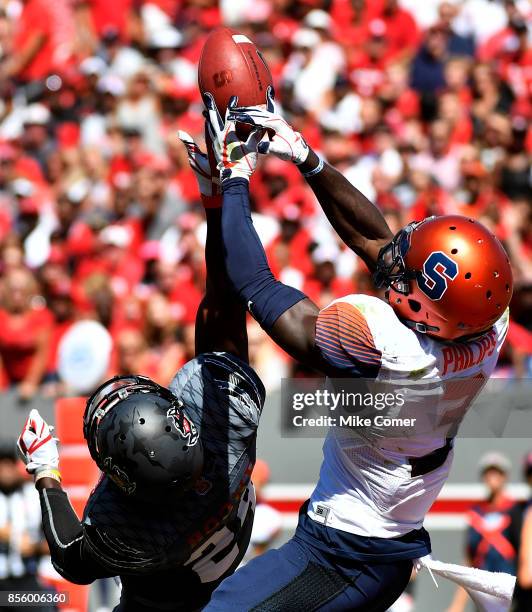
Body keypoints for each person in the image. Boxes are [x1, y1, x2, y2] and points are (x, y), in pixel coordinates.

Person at [194, 93, 514, 610]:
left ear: (429, 312)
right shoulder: (486, 324)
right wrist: (304, 155)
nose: (396, 264)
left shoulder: (387, 346)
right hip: (386, 537)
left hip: (343, 553)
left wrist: (231, 181)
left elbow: (254, 280)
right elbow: (377, 243)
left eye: (409, 276)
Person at [16, 133, 266, 612]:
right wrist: (218, 200)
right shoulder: (228, 430)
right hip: (230, 584)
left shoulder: (125, 525)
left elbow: (70, 558)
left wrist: (45, 469)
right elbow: (226, 304)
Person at [447, 452, 517, 612]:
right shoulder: (476, 514)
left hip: (509, 592)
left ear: (504, 476)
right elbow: (469, 561)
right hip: (483, 593)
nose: (492, 477)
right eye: (488, 472)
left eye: (497, 472)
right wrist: (458, 603)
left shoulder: (515, 511)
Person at [0, 441, 54, 612]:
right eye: (1, 465)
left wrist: (34, 547)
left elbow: (55, 539)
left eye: (10, 463)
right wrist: (11, 535)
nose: (6, 471)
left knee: (45, 605)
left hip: (25, 580)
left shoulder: (31, 494)